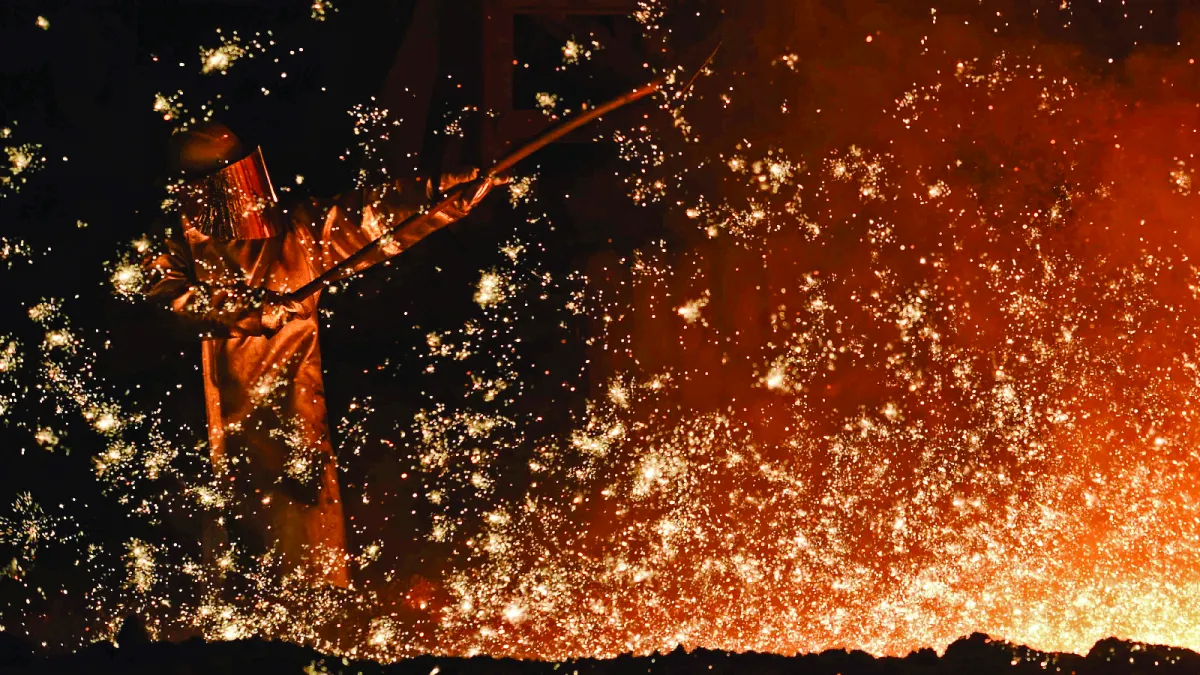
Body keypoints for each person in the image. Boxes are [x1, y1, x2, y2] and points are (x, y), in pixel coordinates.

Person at [144, 122, 500, 587]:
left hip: (287, 419)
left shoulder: (296, 231)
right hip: (200, 424)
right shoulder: (176, 242)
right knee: (220, 555)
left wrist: (451, 191)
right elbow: (167, 299)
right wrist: (253, 310)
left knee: (299, 539)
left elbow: (377, 216)